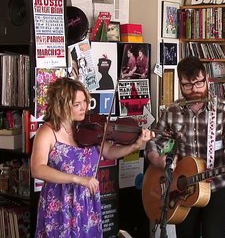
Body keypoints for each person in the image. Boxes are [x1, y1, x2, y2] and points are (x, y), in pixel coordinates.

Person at [31, 78, 155, 238]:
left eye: (85, 102)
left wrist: (135, 145)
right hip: (60, 202)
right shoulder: (47, 132)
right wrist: (77, 179)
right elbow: (37, 169)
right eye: (77, 104)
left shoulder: (88, 128)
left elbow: (109, 152)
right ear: (60, 105)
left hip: (86, 202)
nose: (84, 107)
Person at [145, 56, 225, 238]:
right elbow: (154, 142)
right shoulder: (172, 111)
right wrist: (158, 160)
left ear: (207, 79)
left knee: (213, 234)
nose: (195, 90)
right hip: (184, 188)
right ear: (180, 84)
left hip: (216, 185)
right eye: (187, 85)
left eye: (199, 83)